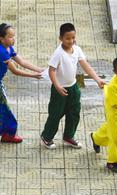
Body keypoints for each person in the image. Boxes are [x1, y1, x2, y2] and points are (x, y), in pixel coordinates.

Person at [39, 22, 104, 150]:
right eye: (67, 38)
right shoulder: (58, 53)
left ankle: (69, 136)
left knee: (74, 112)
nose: (71, 41)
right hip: (59, 89)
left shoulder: (77, 49)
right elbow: (51, 71)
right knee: (55, 113)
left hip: (73, 86)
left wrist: (97, 79)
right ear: (61, 38)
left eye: (73, 37)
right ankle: (47, 136)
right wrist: (57, 86)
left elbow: (85, 65)